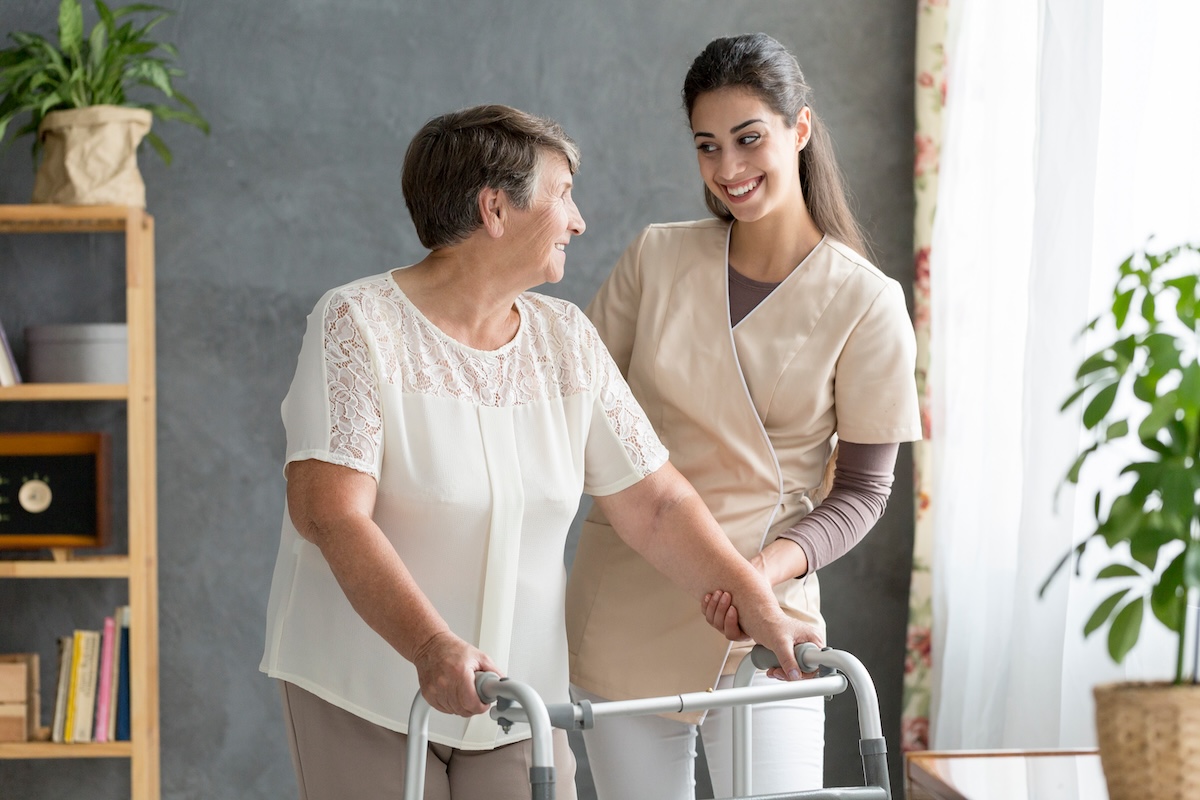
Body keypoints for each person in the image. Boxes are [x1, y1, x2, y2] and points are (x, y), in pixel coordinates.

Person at [259, 103, 823, 800]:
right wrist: (430, 648)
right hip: (369, 690)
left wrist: (754, 598)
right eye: (562, 195)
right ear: (495, 209)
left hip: (516, 701)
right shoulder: (357, 324)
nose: (579, 220)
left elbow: (654, 502)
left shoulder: (566, 338)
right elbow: (331, 515)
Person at [565, 33, 923, 798]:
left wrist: (758, 579)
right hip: (632, 593)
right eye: (707, 146)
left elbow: (862, 491)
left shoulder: (867, 302)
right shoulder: (655, 260)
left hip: (769, 616)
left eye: (748, 138)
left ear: (800, 128)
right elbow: (575, 416)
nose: (728, 169)